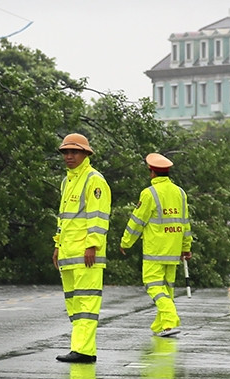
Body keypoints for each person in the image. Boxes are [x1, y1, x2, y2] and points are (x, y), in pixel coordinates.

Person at [120, 152, 192, 337]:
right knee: (167, 289)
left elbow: (137, 221)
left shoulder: (149, 193)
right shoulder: (180, 193)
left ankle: (169, 321)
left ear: (152, 172)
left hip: (155, 251)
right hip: (173, 251)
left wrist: (126, 242)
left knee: (153, 285)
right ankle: (160, 326)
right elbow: (185, 223)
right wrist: (186, 247)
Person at [53, 133, 110, 364]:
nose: (69, 156)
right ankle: (81, 348)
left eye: (74, 151)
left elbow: (99, 216)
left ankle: (83, 351)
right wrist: (57, 246)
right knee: (74, 305)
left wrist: (93, 245)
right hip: (68, 254)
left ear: (86, 154)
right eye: (66, 152)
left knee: (86, 304)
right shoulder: (67, 181)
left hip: (87, 255)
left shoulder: (93, 179)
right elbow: (63, 218)